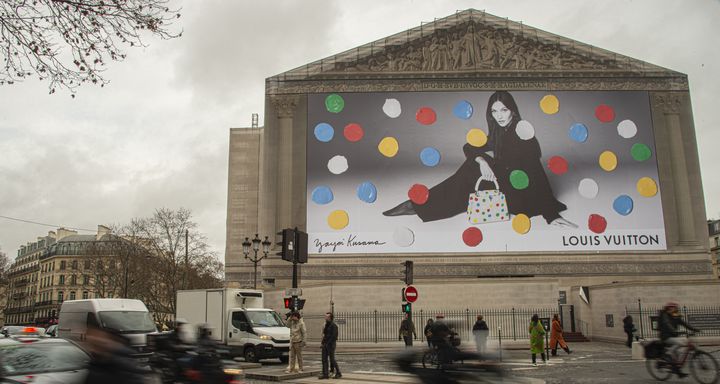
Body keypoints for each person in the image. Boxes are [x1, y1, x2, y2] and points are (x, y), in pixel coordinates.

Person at [383, 91, 575, 228]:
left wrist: (550, 215)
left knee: (469, 171)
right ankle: (421, 205)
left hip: (521, 194)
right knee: (473, 165)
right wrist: (483, 162)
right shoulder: (499, 131)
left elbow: (536, 172)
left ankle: (420, 205)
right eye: (494, 111)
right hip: (504, 182)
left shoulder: (523, 132)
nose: (499, 116)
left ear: (513, 111)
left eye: (504, 110)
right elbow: (470, 146)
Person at [658, 302, 698, 378]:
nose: (674, 309)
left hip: (673, 336)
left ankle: (677, 370)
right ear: (668, 308)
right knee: (682, 342)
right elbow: (667, 324)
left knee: (679, 352)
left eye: (675, 308)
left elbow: (684, 323)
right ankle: (668, 353)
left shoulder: (675, 316)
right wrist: (674, 330)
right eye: (672, 307)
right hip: (665, 337)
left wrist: (694, 329)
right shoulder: (664, 315)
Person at [319, 312, 341, 379]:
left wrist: (328, 344)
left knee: (332, 360)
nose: (325, 318)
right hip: (325, 344)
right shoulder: (326, 325)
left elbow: (334, 336)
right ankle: (325, 374)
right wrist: (322, 343)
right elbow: (325, 335)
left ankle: (338, 373)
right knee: (324, 360)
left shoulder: (334, 326)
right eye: (325, 316)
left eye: (327, 317)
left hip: (331, 345)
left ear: (330, 318)